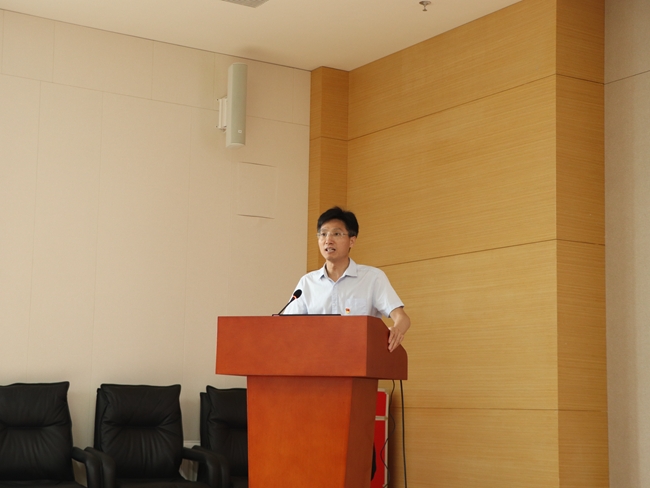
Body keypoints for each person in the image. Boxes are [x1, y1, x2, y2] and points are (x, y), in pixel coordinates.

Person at [284, 206, 410, 352]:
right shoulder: (307, 283)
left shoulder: (372, 278)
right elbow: (286, 325)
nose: (328, 240)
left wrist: (396, 330)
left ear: (352, 241)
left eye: (336, 234)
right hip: (316, 358)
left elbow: (402, 318)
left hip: (359, 358)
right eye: (323, 234)